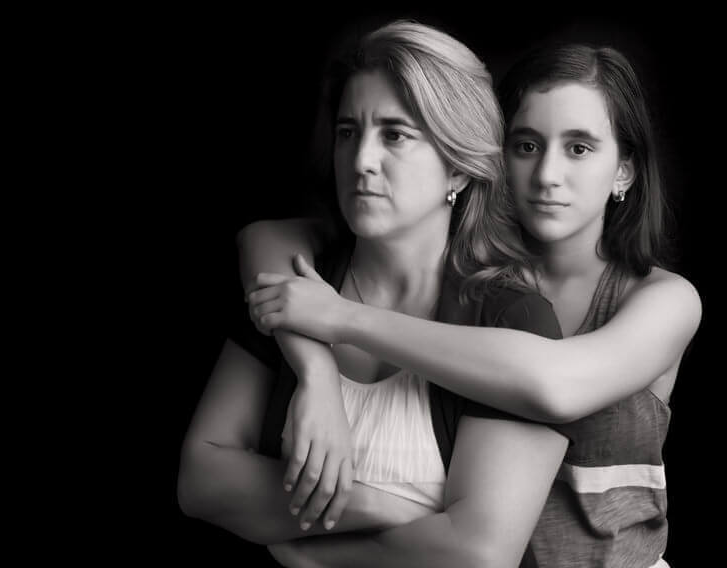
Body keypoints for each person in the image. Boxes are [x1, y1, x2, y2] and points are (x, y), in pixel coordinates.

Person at [244, 42, 701, 566]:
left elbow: (553, 385)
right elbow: (267, 241)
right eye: (526, 145)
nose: (548, 174)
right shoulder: (472, 279)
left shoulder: (663, 300)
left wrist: (343, 318)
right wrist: (316, 370)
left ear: (624, 170)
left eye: (579, 148)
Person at [180, 19, 570, 567]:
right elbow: (203, 479)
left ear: (457, 170)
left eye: (395, 134)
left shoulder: (509, 319)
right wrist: (381, 506)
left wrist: (310, 554)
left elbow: (477, 554)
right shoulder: (299, 278)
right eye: (348, 132)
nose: (361, 160)